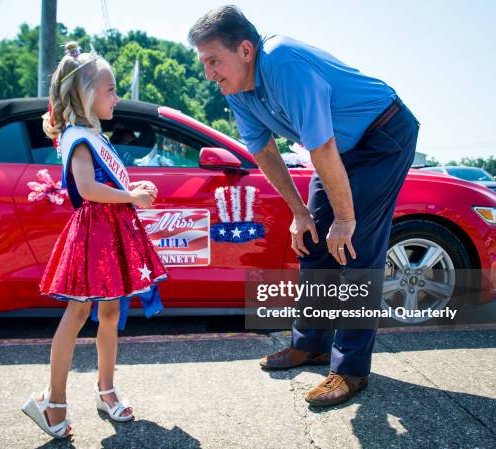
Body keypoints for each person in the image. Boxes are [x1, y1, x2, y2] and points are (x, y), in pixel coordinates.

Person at [189, 6, 419, 407]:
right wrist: (300, 213)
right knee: (311, 241)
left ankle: (350, 370)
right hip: (335, 150)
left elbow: (323, 146)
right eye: (204, 63)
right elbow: (264, 153)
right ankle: (309, 343)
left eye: (213, 61)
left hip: (381, 136)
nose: (209, 73)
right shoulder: (237, 89)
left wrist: (346, 219)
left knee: (356, 249)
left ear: (245, 49)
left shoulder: (282, 62)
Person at [21, 41, 167, 438]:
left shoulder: (90, 135)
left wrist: (131, 188)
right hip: (94, 234)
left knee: (110, 315)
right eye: (110, 90)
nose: (116, 98)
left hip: (109, 230)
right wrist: (130, 196)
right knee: (78, 313)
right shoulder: (77, 137)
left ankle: (106, 390)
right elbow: (86, 189)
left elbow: (102, 183)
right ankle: (53, 402)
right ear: (87, 95)